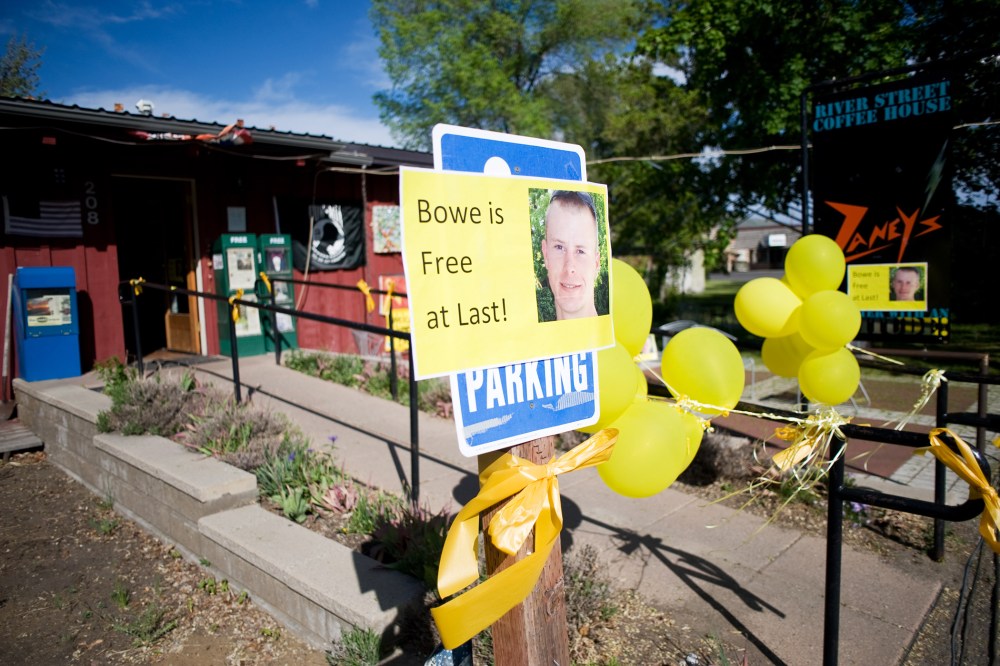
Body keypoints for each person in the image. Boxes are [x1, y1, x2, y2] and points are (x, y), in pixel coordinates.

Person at [541, 190, 601, 320]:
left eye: (580, 251)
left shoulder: (619, 337)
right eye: (559, 247)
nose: (569, 268)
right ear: (545, 254)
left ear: (596, 263)